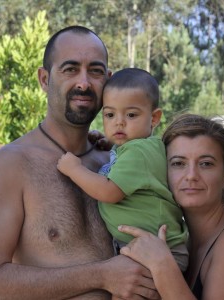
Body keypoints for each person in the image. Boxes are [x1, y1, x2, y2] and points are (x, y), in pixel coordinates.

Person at [0, 26, 160, 300]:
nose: (83, 83)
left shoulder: (115, 162)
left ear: (108, 80)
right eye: (70, 69)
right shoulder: (13, 164)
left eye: (95, 71)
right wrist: (103, 275)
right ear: (44, 79)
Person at [57, 68, 188, 272]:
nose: (119, 122)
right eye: (110, 114)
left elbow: (109, 191)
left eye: (131, 114)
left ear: (154, 119)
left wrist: (74, 170)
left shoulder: (139, 152)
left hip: (161, 251)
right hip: (153, 249)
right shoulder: (140, 149)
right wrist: (111, 146)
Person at [117, 113, 224, 300]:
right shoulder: (182, 240)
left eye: (206, 164)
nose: (191, 175)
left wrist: (162, 266)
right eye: (178, 163)